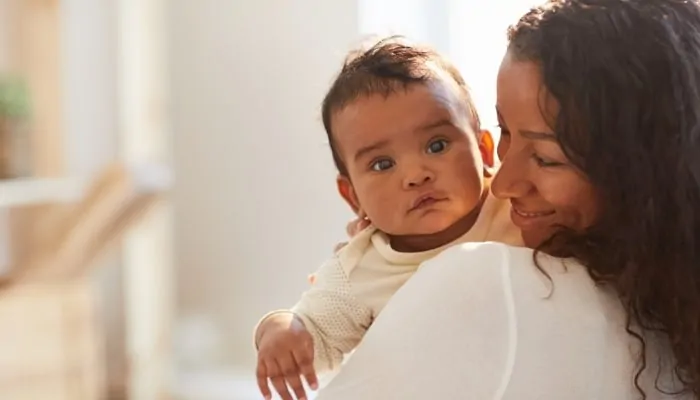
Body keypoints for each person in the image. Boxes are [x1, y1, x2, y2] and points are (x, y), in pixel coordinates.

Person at [313, 0, 700, 399]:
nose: (501, 184)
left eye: (546, 158)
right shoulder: (671, 309)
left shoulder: (485, 276)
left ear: (643, 172)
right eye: (506, 132)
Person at [253, 37, 522, 400]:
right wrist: (278, 331)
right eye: (382, 164)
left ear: (484, 150)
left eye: (437, 145)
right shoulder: (360, 267)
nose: (415, 174)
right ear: (353, 196)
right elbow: (313, 332)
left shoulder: (516, 206)